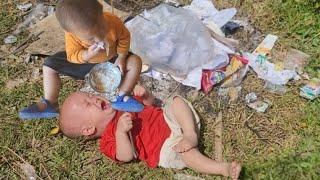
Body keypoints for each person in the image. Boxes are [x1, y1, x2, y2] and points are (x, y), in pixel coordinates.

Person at [59, 85, 241, 179]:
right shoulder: (107, 140)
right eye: (88, 104)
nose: (94, 99)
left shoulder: (122, 102)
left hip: (169, 121)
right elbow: (126, 156)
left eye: (90, 96)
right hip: (164, 147)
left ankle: (190, 134)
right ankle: (221, 168)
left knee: (176, 101)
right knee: (187, 155)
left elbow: (150, 104)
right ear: (89, 129)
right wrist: (121, 133)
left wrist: (145, 95)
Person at [19, 0, 142, 119]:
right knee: (49, 65)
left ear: (102, 13)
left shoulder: (112, 21)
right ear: (71, 32)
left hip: (112, 60)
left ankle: (122, 96)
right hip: (85, 64)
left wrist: (121, 57)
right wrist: (87, 54)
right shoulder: (72, 36)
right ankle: (50, 103)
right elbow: (72, 56)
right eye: (91, 39)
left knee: (135, 61)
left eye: (102, 29)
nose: (99, 37)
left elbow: (124, 37)